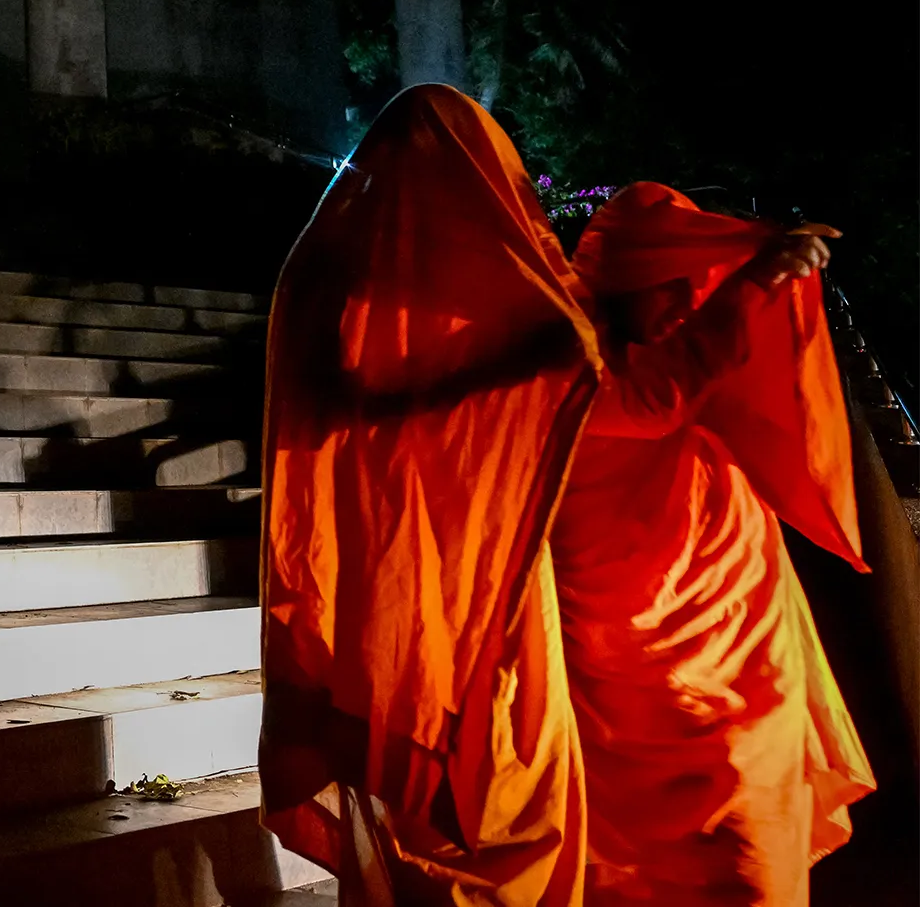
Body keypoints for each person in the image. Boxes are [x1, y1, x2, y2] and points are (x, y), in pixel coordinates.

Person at [257, 84, 872, 905]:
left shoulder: (348, 296)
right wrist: (756, 282)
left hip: (483, 609)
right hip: (545, 618)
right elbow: (645, 398)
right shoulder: (498, 321)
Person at [552, 183, 873, 902]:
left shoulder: (672, 356)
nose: (682, 302)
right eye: (663, 286)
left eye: (691, 285)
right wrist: (757, 282)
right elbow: (655, 399)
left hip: (746, 650)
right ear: (614, 287)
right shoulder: (565, 370)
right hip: (631, 675)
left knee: (759, 846)